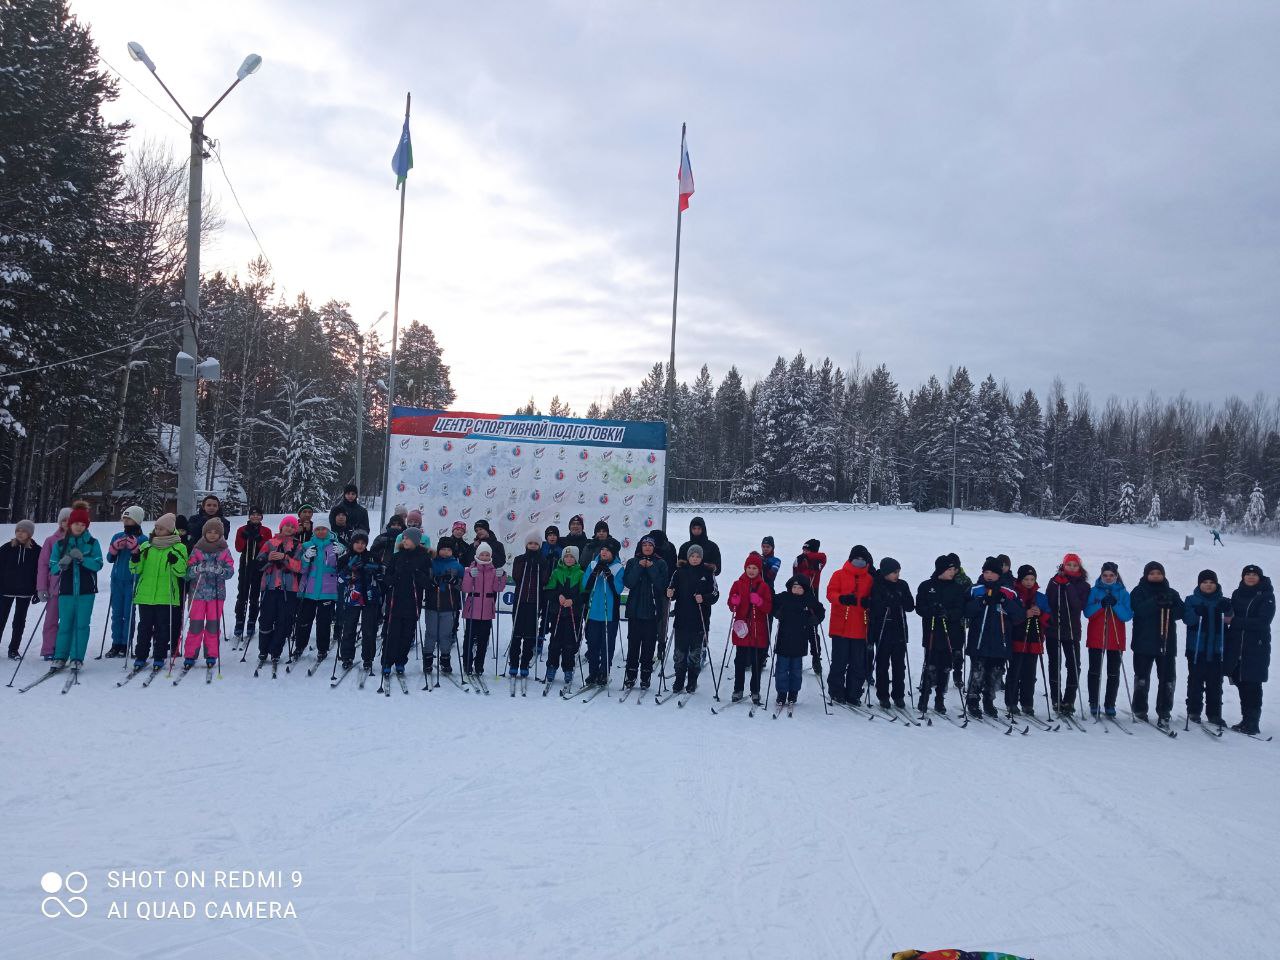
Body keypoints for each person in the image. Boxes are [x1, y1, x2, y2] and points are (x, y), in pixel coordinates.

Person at [964, 556, 1024, 719]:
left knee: (995, 674)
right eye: (986, 572)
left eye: (992, 572)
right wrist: (981, 602)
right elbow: (965, 610)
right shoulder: (975, 590)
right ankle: (972, 700)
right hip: (979, 641)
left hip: (1000, 642)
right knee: (978, 672)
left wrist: (1004, 601)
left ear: (999, 574)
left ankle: (988, 701)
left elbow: (1019, 615)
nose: (989, 575)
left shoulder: (1009, 592)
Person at [129, 513, 188, 671]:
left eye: (161, 528)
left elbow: (182, 572)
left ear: (170, 530)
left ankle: (159, 656)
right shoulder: (147, 546)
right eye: (156, 527)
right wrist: (134, 558)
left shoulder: (179, 547)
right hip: (145, 595)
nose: (157, 530)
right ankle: (141, 656)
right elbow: (136, 569)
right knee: (144, 627)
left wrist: (175, 561)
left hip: (166, 595)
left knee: (163, 627)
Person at [1129, 561, 1184, 729]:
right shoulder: (1138, 591)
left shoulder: (1171, 592)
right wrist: (1155, 602)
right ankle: (1139, 709)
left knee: (1167, 680)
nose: (1155, 576)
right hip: (1143, 643)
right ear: (1146, 575)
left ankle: (1164, 711)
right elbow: (1138, 611)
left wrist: (1169, 606)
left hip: (1166, 642)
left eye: (1158, 573)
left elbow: (1181, 612)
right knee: (1142, 679)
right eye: (1152, 573)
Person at [48, 501, 103, 668]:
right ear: (70, 524)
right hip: (66, 590)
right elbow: (53, 567)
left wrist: (83, 559)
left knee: (81, 625)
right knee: (65, 624)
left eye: (82, 524)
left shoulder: (92, 543)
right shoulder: (60, 544)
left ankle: (77, 658)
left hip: (86, 591)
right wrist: (61, 564)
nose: (79, 527)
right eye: (76, 524)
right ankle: (60, 656)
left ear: (86, 526)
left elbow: (98, 564)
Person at [914, 555, 967, 714]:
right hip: (932, 633)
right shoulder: (927, 586)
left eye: (954, 569)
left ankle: (939, 699)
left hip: (951, 634)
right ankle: (924, 697)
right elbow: (919, 608)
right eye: (949, 569)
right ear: (941, 569)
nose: (952, 572)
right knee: (930, 665)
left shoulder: (957, 588)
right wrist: (932, 610)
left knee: (945, 667)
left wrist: (948, 614)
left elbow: (961, 609)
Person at [1226, 563, 1274, 735]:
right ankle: (1245, 719)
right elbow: (1229, 613)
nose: (1251, 577)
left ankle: (1252, 723)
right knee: (1240, 682)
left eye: (1254, 575)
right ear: (1243, 577)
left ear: (1259, 577)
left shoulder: (1266, 596)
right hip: (1236, 647)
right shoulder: (1237, 594)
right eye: (1247, 574)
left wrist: (1234, 622)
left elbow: (1262, 622)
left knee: (1252, 684)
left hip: (1256, 647)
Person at [825, 545, 875, 705]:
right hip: (841, 626)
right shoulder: (839, 574)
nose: (859, 562)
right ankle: (836, 691)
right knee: (839, 662)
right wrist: (842, 598)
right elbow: (830, 593)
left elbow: (875, 598)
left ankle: (853, 693)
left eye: (862, 559)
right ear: (850, 559)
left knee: (857, 664)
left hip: (861, 627)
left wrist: (869, 602)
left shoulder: (870, 578)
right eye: (856, 558)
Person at [183, 518, 235, 669]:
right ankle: (190, 654)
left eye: (216, 532)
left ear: (221, 534)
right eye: (209, 532)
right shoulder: (197, 549)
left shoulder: (224, 550)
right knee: (196, 625)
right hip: (198, 594)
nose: (212, 535)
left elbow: (230, 571)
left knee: (212, 625)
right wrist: (197, 569)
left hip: (216, 595)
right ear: (204, 533)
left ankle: (211, 654)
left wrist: (221, 571)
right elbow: (187, 572)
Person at [665, 543, 716, 694]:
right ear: (688, 557)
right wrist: (669, 593)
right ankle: (679, 679)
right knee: (679, 653)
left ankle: (692, 680)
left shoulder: (707, 573)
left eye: (698, 556)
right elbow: (672, 590)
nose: (695, 559)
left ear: (702, 558)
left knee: (695, 654)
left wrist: (704, 598)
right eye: (692, 556)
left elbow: (715, 594)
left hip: (699, 620)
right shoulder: (679, 572)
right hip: (682, 618)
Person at [1084, 561, 1132, 718]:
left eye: (1111, 575)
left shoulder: (1123, 593)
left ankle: (1110, 703)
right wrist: (1101, 605)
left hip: (1115, 639)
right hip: (1096, 637)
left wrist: (1116, 604)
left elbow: (1127, 615)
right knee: (1095, 671)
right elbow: (1088, 612)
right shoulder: (1094, 591)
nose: (1108, 578)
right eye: (1105, 575)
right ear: (1101, 575)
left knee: (1113, 673)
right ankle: (1093, 702)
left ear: (1116, 576)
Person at [1182, 570, 1231, 725]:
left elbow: (1229, 620)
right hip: (1197, 648)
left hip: (1217, 649)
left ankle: (1214, 713)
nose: (1208, 585)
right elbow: (1188, 620)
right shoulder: (1191, 600)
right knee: (1195, 681)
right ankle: (1194, 710)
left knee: (1215, 683)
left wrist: (1228, 610)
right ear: (1199, 584)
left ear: (1216, 584)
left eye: (1211, 583)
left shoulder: (1223, 601)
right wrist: (1196, 612)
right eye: (1205, 582)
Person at [292, 518, 344, 664]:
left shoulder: (336, 546)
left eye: (324, 529)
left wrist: (342, 554)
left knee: (324, 622)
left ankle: (322, 648)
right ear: (314, 531)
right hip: (309, 589)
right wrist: (306, 557)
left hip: (328, 590)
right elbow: (301, 569)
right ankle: (299, 646)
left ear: (329, 530)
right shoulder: (307, 545)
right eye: (318, 529)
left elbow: (341, 567)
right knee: (304, 620)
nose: (321, 531)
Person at [381, 527, 430, 679]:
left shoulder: (423, 557)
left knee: (407, 635)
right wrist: (395, 576)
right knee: (392, 634)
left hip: (412, 603)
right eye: (403, 538)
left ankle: (401, 661)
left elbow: (427, 582)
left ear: (415, 540)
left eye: (407, 538)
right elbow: (387, 578)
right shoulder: (397, 557)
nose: (404, 540)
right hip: (395, 601)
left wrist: (416, 573)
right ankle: (387, 662)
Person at [1046, 552, 1090, 716]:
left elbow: (1078, 606)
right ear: (1063, 566)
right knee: (1054, 665)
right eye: (1069, 564)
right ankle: (1056, 699)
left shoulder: (1084, 586)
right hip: (1053, 629)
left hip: (1072, 631)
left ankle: (1069, 700)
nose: (1071, 567)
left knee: (1074, 666)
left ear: (1079, 567)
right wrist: (1058, 584)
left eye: (1075, 565)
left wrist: (1068, 587)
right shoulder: (1054, 581)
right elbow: (1050, 602)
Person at [256, 516, 304, 667]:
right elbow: (258, 563)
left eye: (292, 526)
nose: (289, 528)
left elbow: (299, 567)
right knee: (266, 620)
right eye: (286, 525)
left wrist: (284, 558)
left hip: (288, 589)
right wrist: (268, 558)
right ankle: (263, 649)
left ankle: (275, 651)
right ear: (281, 527)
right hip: (270, 587)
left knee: (284, 622)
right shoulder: (270, 542)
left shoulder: (298, 545)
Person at [622, 535, 669, 690]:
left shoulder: (660, 563)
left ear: (654, 547)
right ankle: (630, 675)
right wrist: (639, 567)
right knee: (633, 645)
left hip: (652, 612)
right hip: (635, 612)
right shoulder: (633, 562)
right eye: (645, 545)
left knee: (648, 647)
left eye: (650, 545)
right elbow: (628, 582)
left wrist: (651, 568)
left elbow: (662, 584)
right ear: (640, 547)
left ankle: (645, 676)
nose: (647, 547)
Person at [772, 574, 824, 709]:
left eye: (800, 588)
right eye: (794, 587)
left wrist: (816, 619)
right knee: (781, 669)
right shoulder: (784, 597)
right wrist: (776, 612)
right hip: (783, 639)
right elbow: (771, 603)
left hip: (800, 641)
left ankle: (793, 693)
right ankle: (782, 693)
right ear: (790, 587)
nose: (796, 590)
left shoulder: (808, 600)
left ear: (805, 589)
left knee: (796, 670)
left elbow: (820, 610)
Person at [727, 551, 773, 704]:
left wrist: (760, 602)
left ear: (759, 570)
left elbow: (768, 608)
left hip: (758, 631)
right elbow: (731, 605)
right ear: (745, 568)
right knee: (739, 661)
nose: (751, 570)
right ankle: (738, 689)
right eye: (749, 567)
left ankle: (755, 690)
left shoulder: (764, 586)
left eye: (754, 568)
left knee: (756, 662)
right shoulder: (738, 584)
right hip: (742, 629)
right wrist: (734, 601)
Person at [870, 557, 915, 710]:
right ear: (885, 573)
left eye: (898, 572)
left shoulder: (902, 585)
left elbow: (910, 605)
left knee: (899, 666)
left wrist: (900, 599)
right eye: (894, 572)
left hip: (899, 631)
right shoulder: (878, 584)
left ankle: (899, 695)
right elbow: (875, 606)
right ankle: (883, 696)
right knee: (882, 665)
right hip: (883, 630)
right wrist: (886, 603)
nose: (897, 575)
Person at [1006, 564, 1050, 716]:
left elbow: (1048, 617)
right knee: (1015, 671)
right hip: (1018, 638)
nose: (1029, 582)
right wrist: (1026, 614)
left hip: (1034, 639)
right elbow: (1010, 616)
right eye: (1026, 579)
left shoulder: (1040, 597)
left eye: (1032, 579)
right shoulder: (1014, 595)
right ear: (1020, 579)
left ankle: (1027, 703)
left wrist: (1040, 614)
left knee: (1029, 674)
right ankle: (1011, 702)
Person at [337, 531, 382, 674]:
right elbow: (339, 579)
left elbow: (383, 573)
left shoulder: (372, 557)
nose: (360, 545)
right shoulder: (345, 558)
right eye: (357, 542)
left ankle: (368, 658)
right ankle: (346, 657)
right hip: (352, 598)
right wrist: (348, 569)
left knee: (370, 630)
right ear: (352, 543)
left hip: (370, 598)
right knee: (349, 629)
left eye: (363, 543)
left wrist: (375, 570)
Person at [104, 506, 146, 657]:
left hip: (133, 581)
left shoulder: (143, 539)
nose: (126, 522)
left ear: (137, 520)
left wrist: (136, 550)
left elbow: (144, 562)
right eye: (125, 519)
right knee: (116, 613)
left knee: (129, 614)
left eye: (129, 519)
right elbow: (109, 559)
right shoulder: (117, 536)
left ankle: (125, 644)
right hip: (117, 581)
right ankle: (116, 644)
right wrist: (115, 549)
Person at [582, 542, 624, 686]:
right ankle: (593, 672)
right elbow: (585, 586)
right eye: (603, 549)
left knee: (607, 645)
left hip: (609, 614)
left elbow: (618, 590)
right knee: (592, 644)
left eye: (608, 550)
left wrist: (610, 577)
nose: (604, 552)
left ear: (613, 553)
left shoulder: (618, 568)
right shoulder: (593, 564)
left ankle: (604, 673)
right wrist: (594, 574)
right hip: (593, 612)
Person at [543, 546, 584, 692]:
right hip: (557, 612)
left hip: (574, 613)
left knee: (570, 643)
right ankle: (552, 667)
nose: (568, 559)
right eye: (566, 556)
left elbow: (584, 594)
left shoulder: (580, 573)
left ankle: (568, 669)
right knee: (555, 641)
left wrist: (573, 600)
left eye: (571, 557)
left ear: (576, 559)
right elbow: (548, 590)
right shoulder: (556, 572)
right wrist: (557, 596)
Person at [461, 541, 503, 678]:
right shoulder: (470, 569)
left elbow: (498, 589)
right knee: (469, 638)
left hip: (487, 610)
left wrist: (501, 577)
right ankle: (467, 664)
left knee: (483, 640)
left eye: (487, 554)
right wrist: (469, 576)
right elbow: (466, 589)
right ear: (477, 555)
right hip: (472, 609)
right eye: (482, 554)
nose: (484, 557)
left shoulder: (493, 570)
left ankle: (479, 665)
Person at [510, 532, 548, 678]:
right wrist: (526, 562)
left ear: (539, 546)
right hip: (520, 600)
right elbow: (516, 577)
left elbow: (544, 580)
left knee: (530, 634)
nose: (533, 546)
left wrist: (539, 563)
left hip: (534, 601)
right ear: (526, 545)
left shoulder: (542, 561)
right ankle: (514, 663)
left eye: (536, 544)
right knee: (516, 633)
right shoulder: (520, 559)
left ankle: (524, 663)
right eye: (530, 543)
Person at [2, 520, 41, 659]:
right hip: (5, 590)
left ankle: (13, 649)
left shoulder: (37, 550)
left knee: (19, 621)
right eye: (18, 530)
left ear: (29, 534)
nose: (20, 533)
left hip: (25, 591)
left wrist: (37, 590)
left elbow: (39, 572)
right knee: (1, 618)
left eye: (23, 531)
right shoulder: (6, 548)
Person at [423, 540, 463, 675]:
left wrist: (455, 581)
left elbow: (463, 585)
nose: (446, 552)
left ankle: (445, 659)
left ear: (452, 552)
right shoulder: (431, 563)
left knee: (446, 635)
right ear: (438, 550)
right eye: (443, 549)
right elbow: (424, 580)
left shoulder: (457, 565)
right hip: (432, 604)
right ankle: (427, 659)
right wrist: (432, 581)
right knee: (431, 633)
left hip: (450, 605)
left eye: (449, 550)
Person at [35, 506, 70, 659]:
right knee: (51, 619)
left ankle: (62, 649)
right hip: (54, 587)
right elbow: (43, 565)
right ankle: (48, 649)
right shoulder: (51, 541)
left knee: (68, 620)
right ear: (60, 522)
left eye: (70, 520)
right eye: (64, 520)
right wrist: (42, 587)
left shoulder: (78, 540)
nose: (67, 523)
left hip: (71, 587)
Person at [233, 508, 271, 640]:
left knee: (255, 595)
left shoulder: (266, 531)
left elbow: (268, 547)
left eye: (258, 515)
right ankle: (239, 620)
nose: (255, 517)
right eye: (253, 515)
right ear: (249, 516)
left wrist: (259, 539)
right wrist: (245, 538)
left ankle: (251, 621)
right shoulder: (242, 529)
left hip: (258, 563)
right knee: (242, 593)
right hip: (246, 562)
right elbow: (238, 548)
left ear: (261, 517)